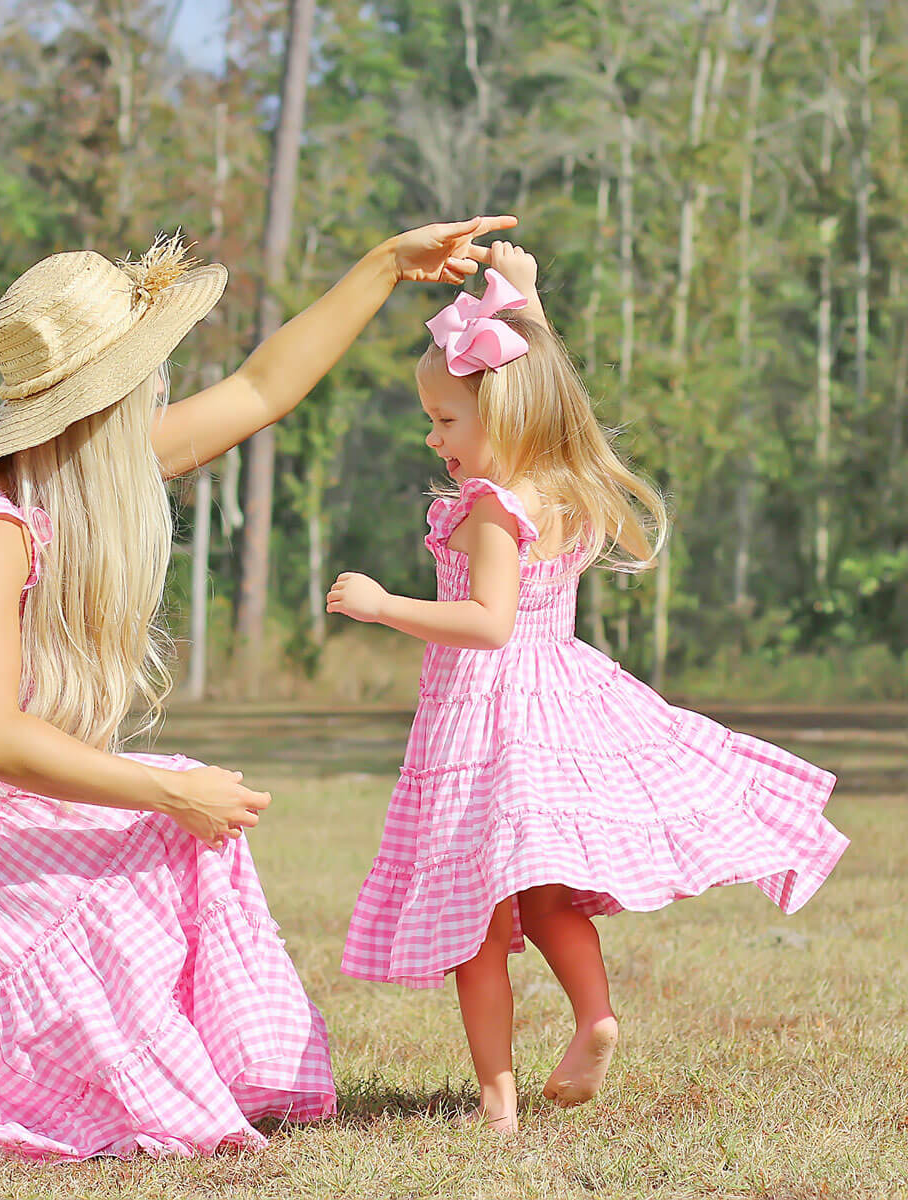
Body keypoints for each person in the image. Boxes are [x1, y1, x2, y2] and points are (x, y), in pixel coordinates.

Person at [0, 216, 517, 1161]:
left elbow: (261, 389)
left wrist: (384, 266)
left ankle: (175, 1063)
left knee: (170, 816)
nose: (161, 394)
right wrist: (171, 791)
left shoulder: (74, 479)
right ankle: (80, 1073)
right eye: (145, 379)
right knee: (164, 812)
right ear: (101, 401)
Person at [326, 241, 849, 1134]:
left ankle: (498, 1105)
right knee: (549, 896)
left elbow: (488, 623)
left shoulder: (495, 505)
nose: (434, 438)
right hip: (560, 696)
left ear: (502, 415)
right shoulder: (558, 486)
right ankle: (594, 1020)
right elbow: (538, 384)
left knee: (478, 923)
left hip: (487, 718)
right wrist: (521, 298)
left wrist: (384, 606)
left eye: (446, 419)